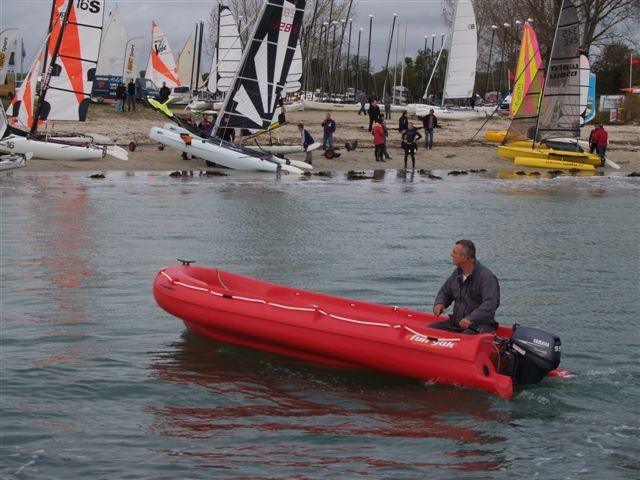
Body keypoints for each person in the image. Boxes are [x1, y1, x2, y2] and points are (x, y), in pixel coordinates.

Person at [430, 240, 500, 334]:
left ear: (464, 257)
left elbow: (491, 303)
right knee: (428, 331)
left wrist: (471, 318)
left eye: (454, 252)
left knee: (464, 339)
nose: (451, 255)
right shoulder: (457, 273)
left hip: (479, 327)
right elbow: (445, 292)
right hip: (456, 324)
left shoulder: (486, 277)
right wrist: (440, 303)